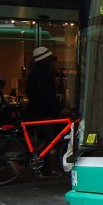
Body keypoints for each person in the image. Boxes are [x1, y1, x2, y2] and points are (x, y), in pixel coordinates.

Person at [26, 46, 64, 176]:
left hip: (35, 111)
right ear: (45, 59)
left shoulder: (34, 72)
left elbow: (30, 92)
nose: (52, 61)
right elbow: (47, 95)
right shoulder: (44, 73)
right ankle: (45, 168)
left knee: (43, 139)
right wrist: (59, 108)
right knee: (49, 139)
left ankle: (39, 162)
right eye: (51, 58)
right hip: (44, 113)